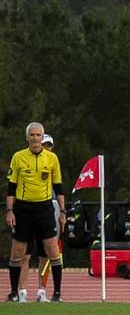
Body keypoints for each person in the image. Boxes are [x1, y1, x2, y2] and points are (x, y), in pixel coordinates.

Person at [6, 123, 65, 303]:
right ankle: (15, 293)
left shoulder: (52, 158)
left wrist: (63, 211)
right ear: (27, 137)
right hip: (23, 208)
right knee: (18, 252)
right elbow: (11, 187)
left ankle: (56, 293)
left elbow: (58, 187)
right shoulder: (18, 157)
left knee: (52, 250)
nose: (35, 138)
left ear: (42, 137)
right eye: (32, 135)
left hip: (44, 208)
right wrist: (9, 211)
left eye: (38, 135)